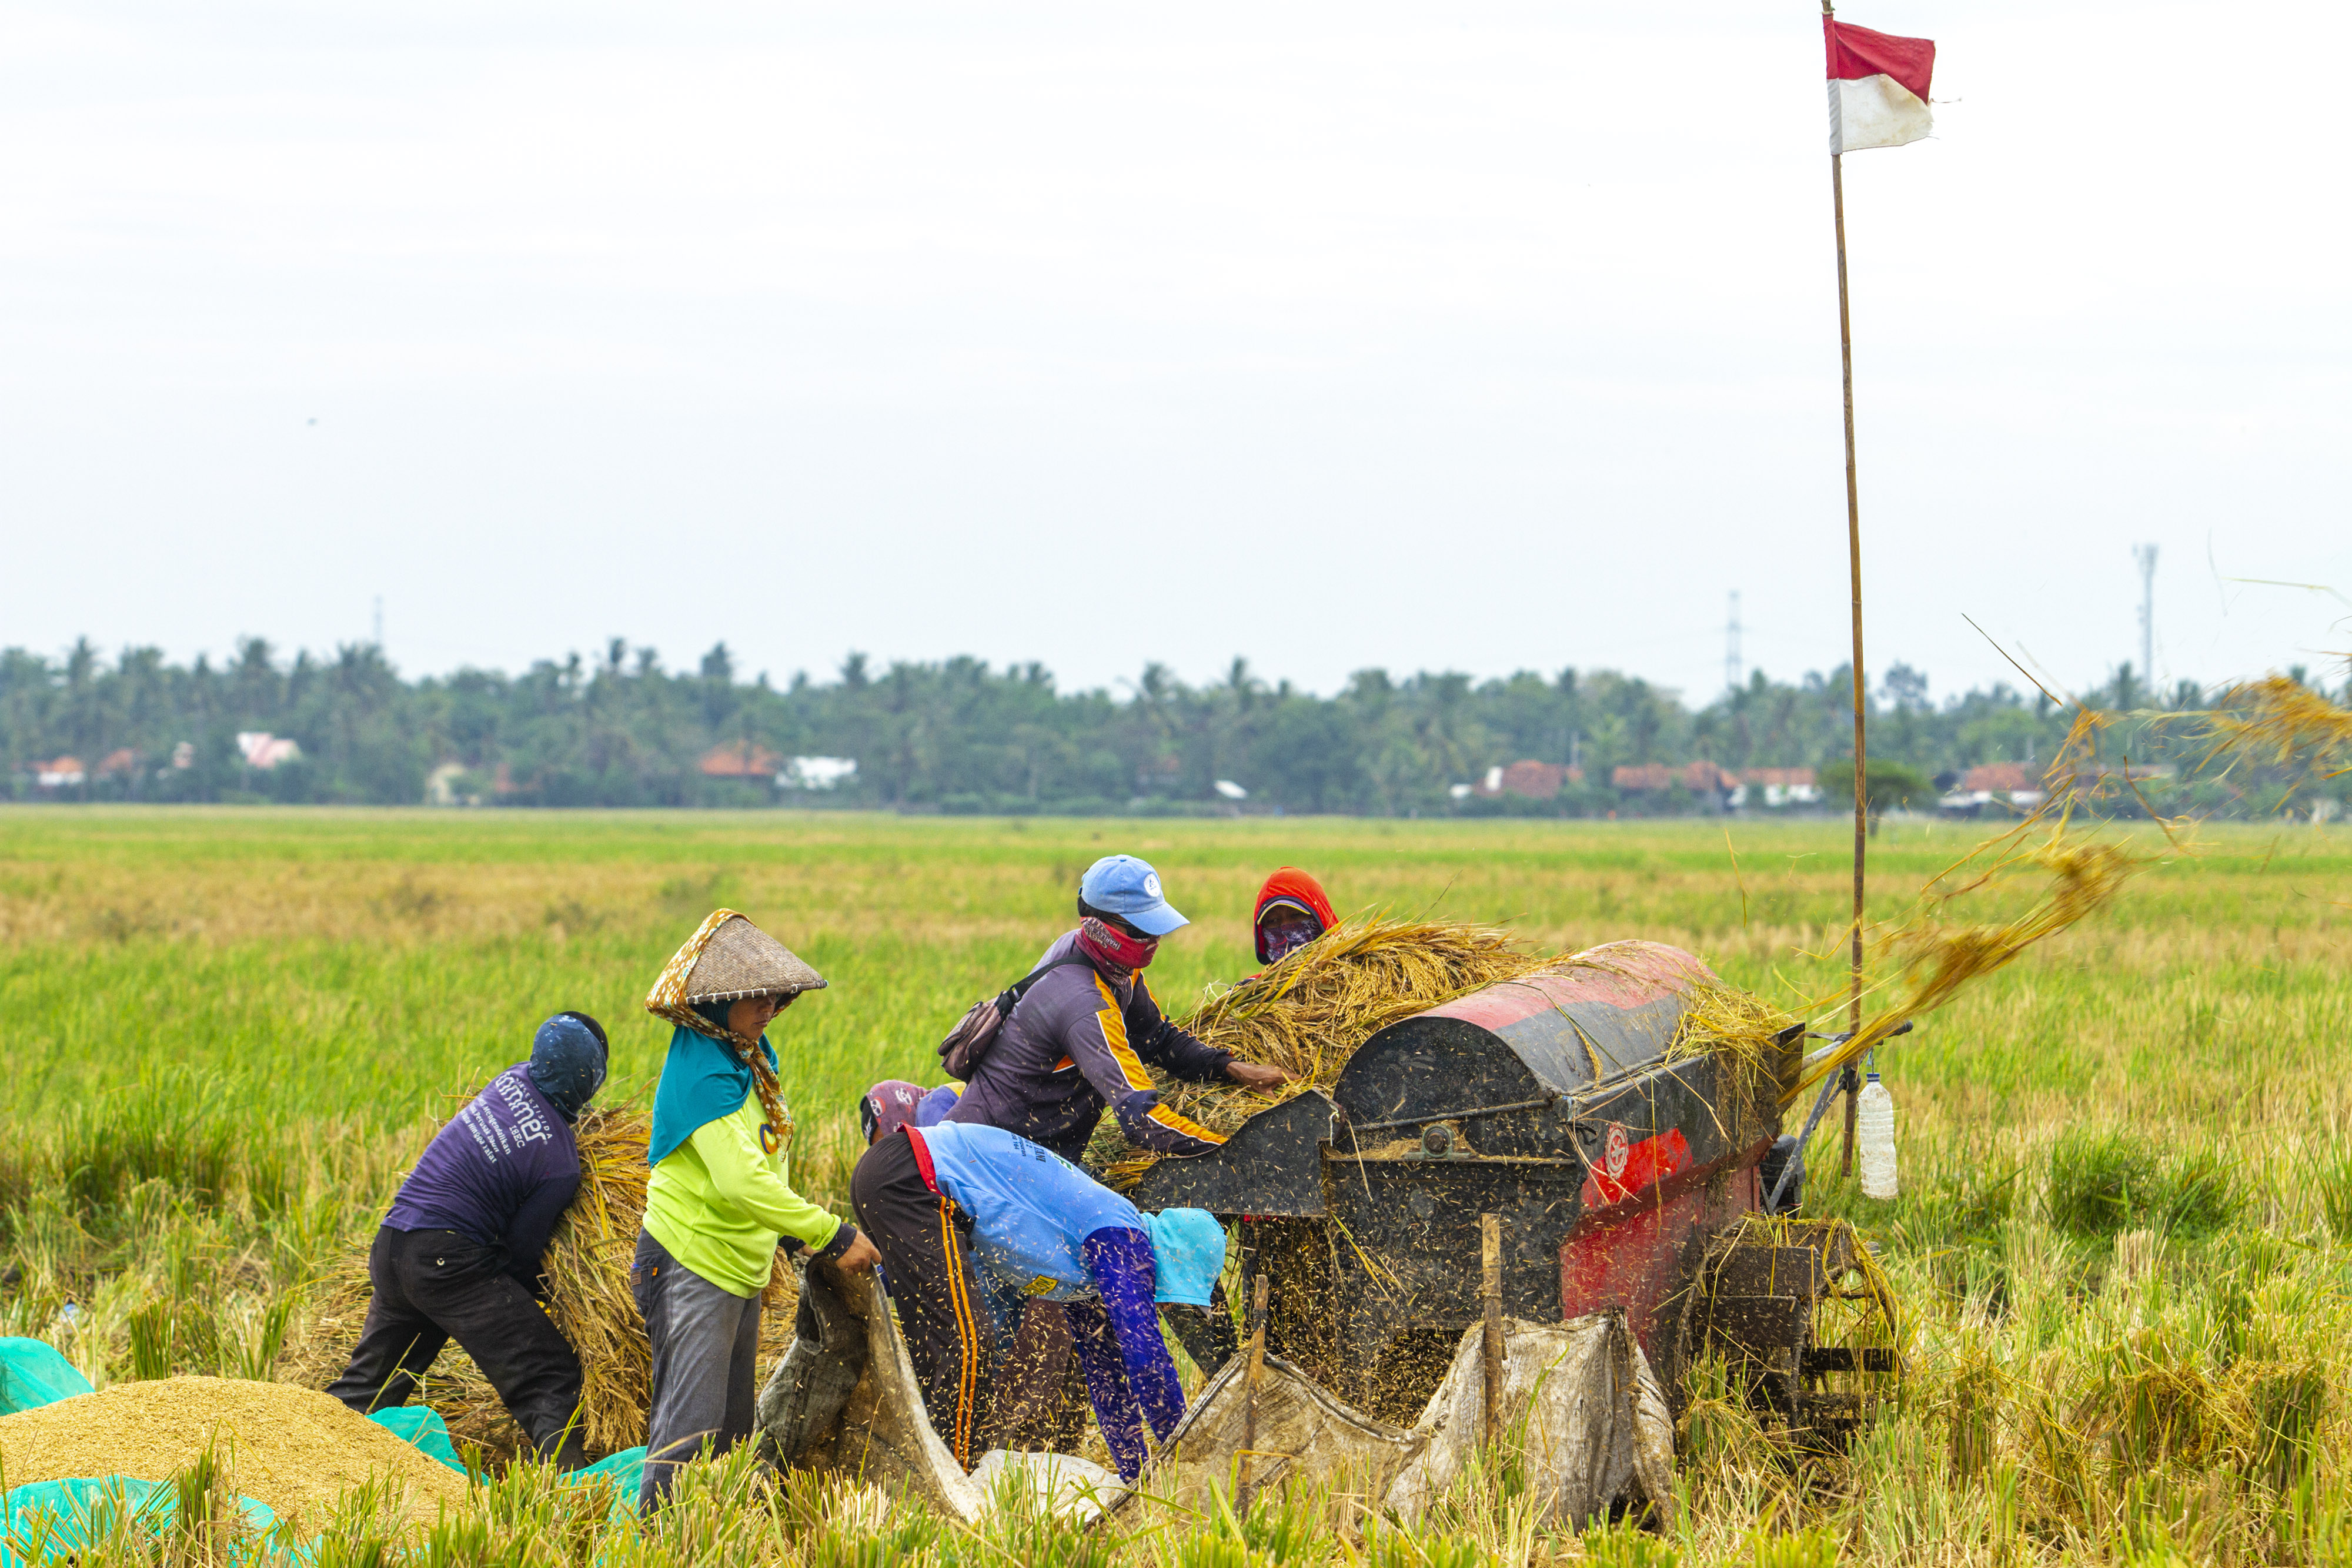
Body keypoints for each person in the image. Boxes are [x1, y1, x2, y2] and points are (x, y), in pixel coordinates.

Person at [632, 910, 881, 1510]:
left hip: (734, 1264)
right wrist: (828, 1232)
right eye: (755, 996)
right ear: (717, 1003)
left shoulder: (748, 1055)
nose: (770, 1006)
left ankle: (712, 1539)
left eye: (776, 995)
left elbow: (768, 1159)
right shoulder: (704, 1073)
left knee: (729, 1435)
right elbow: (742, 1181)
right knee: (688, 1433)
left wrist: (789, 1237)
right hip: (692, 1262)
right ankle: (657, 1542)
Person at [850, 1117, 1225, 1480]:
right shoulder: (1123, 1236)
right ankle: (951, 1487)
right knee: (965, 1346)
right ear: (1171, 1259)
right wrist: (1185, 1460)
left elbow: (1108, 1377)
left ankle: (920, 1472)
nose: (1162, 1306)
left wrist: (1138, 1478)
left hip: (895, 1176)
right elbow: (1146, 1360)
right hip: (914, 1176)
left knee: (940, 1351)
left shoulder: (1090, 1269)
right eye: (1173, 1296)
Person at [329, 1012, 610, 1469]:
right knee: (549, 1372)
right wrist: (543, 1299)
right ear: (589, 1083)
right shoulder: (560, 1164)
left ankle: (309, 1457)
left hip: (395, 1241)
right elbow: (521, 1255)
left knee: (370, 1387)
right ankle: (570, 1493)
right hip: (446, 1260)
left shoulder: (511, 1080)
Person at [944, 854, 1289, 1164]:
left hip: (1034, 1153)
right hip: (985, 1158)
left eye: (1156, 929)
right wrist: (1239, 1154)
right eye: (1140, 930)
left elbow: (1156, 1038)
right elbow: (1142, 1117)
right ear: (1098, 924)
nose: (1153, 941)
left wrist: (1232, 1068)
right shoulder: (1083, 1002)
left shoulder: (1114, 965)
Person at [1251, 867, 1337, 969]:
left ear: (1321, 919)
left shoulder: (1353, 974)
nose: (1286, 927)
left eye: (1296, 915)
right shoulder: (1253, 985)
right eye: (1273, 920)